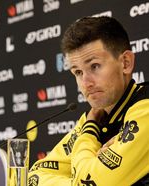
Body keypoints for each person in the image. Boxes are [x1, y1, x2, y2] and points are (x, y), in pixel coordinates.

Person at [28, 16, 149, 186]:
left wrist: (89, 133)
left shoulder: (145, 109)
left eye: (95, 66)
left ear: (126, 63)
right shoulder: (93, 118)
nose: (86, 83)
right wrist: (81, 176)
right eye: (78, 72)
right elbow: (34, 176)